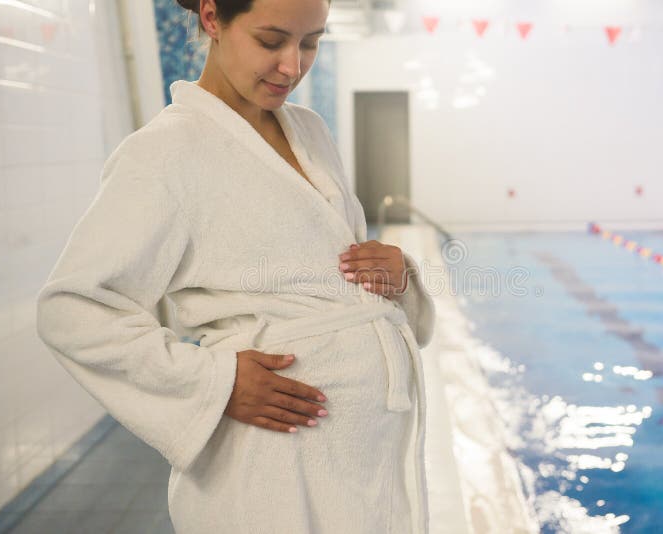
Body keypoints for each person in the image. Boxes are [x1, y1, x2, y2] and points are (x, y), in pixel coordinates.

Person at [35, 0, 435, 532]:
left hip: (361, 462)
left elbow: (326, 271)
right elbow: (73, 309)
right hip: (272, 462)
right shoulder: (165, 152)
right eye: (271, 42)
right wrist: (213, 380)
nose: (293, 66)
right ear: (211, 18)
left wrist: (394, 274)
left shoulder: (308, 130)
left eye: (311, 41)